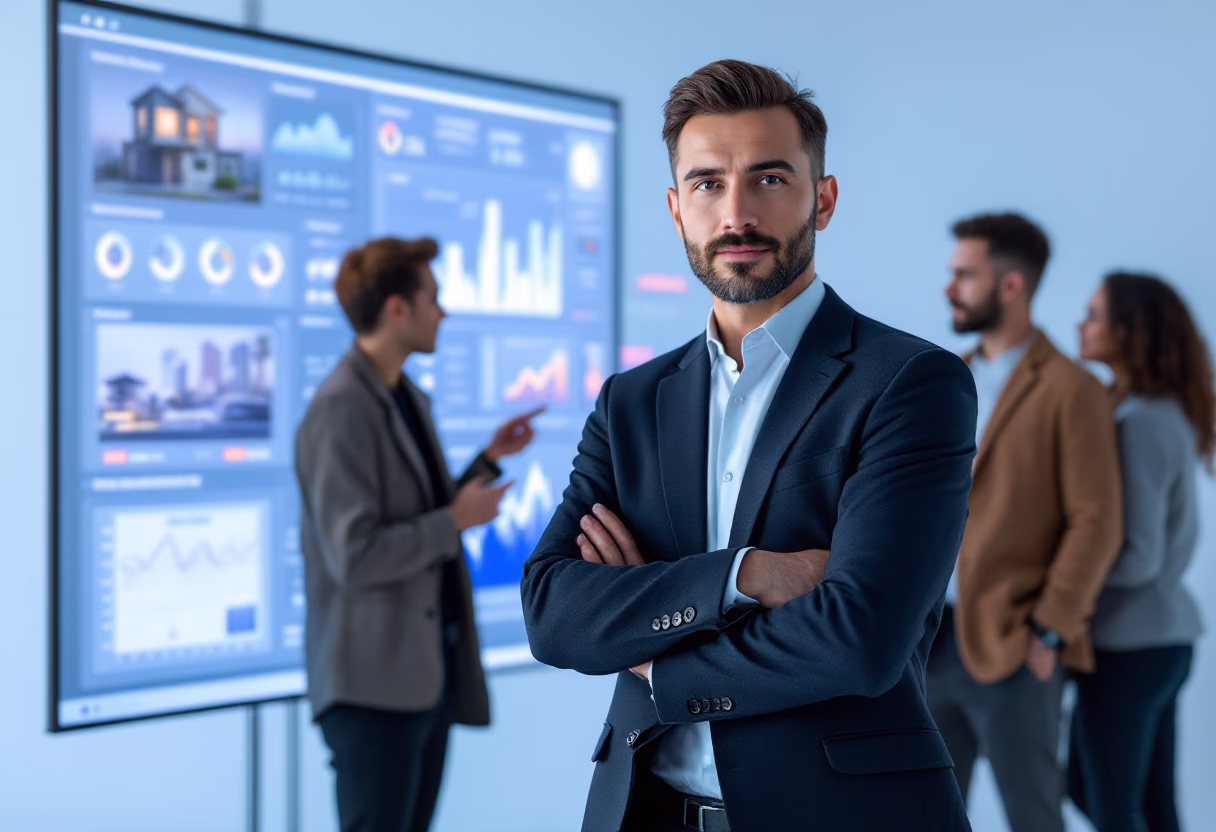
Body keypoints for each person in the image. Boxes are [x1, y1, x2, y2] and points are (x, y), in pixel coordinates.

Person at [521, 59, 977, 832]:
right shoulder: (631, 402)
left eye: (768, 179)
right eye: (707, 184)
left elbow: (858, 639)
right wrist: (746, 576)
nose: (736, 214)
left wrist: (651, 654)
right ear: (675, 209)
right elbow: (553, 612)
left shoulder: (910, 383)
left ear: (822, 199)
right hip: (645, 812)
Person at [294, 236, 543, 832]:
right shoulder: (340, 410)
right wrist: (458, 520)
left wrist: (487, 459)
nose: (444, 312)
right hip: (371, 690)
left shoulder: (401, 396)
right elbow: (355, 556)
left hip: (419, 678)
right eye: (433, 298)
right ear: (397, 309)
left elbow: (420, 510)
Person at [929, 213, 1124, 832]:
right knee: (924, 812)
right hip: (929, 642)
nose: (949, 287)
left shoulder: (1073, 390)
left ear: (1010, 286)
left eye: (964, 275)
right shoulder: (944, 378)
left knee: (1033, 817)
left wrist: (1047, 633)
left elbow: (1096, 522)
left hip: (1014, 645)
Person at [1067, 272, 1213, 832]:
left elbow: (1139, 557)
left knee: (1108, 803)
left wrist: (1062, 586)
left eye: (1095, 315)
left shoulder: (1141, 421)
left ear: (1133, 331)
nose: (1082, 325)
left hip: (1132, 643)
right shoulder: (1155, 411)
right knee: (1151, 807)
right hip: (1160, 639)